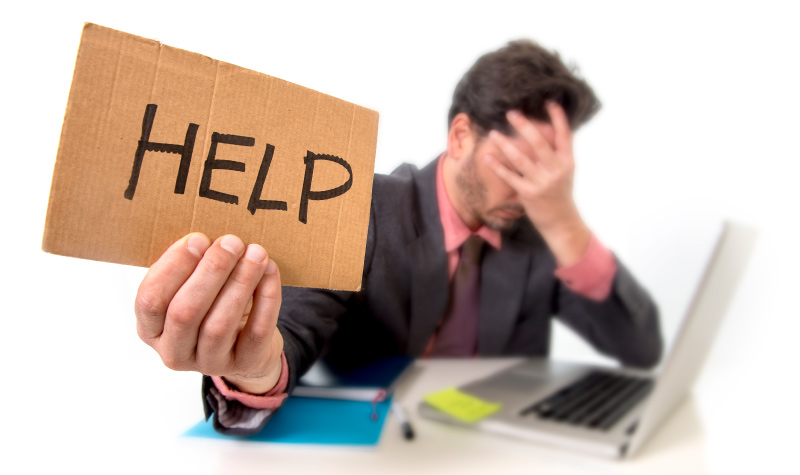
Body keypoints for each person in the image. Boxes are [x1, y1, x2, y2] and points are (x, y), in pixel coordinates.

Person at [135, 40, 662, 436]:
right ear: (460, 137)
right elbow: (288, 336)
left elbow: (638, 348)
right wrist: (253, 367)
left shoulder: (544, 232)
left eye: (552, 170)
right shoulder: (361, 208)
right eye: (523, 160)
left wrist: (566, 222)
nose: (534, 188)